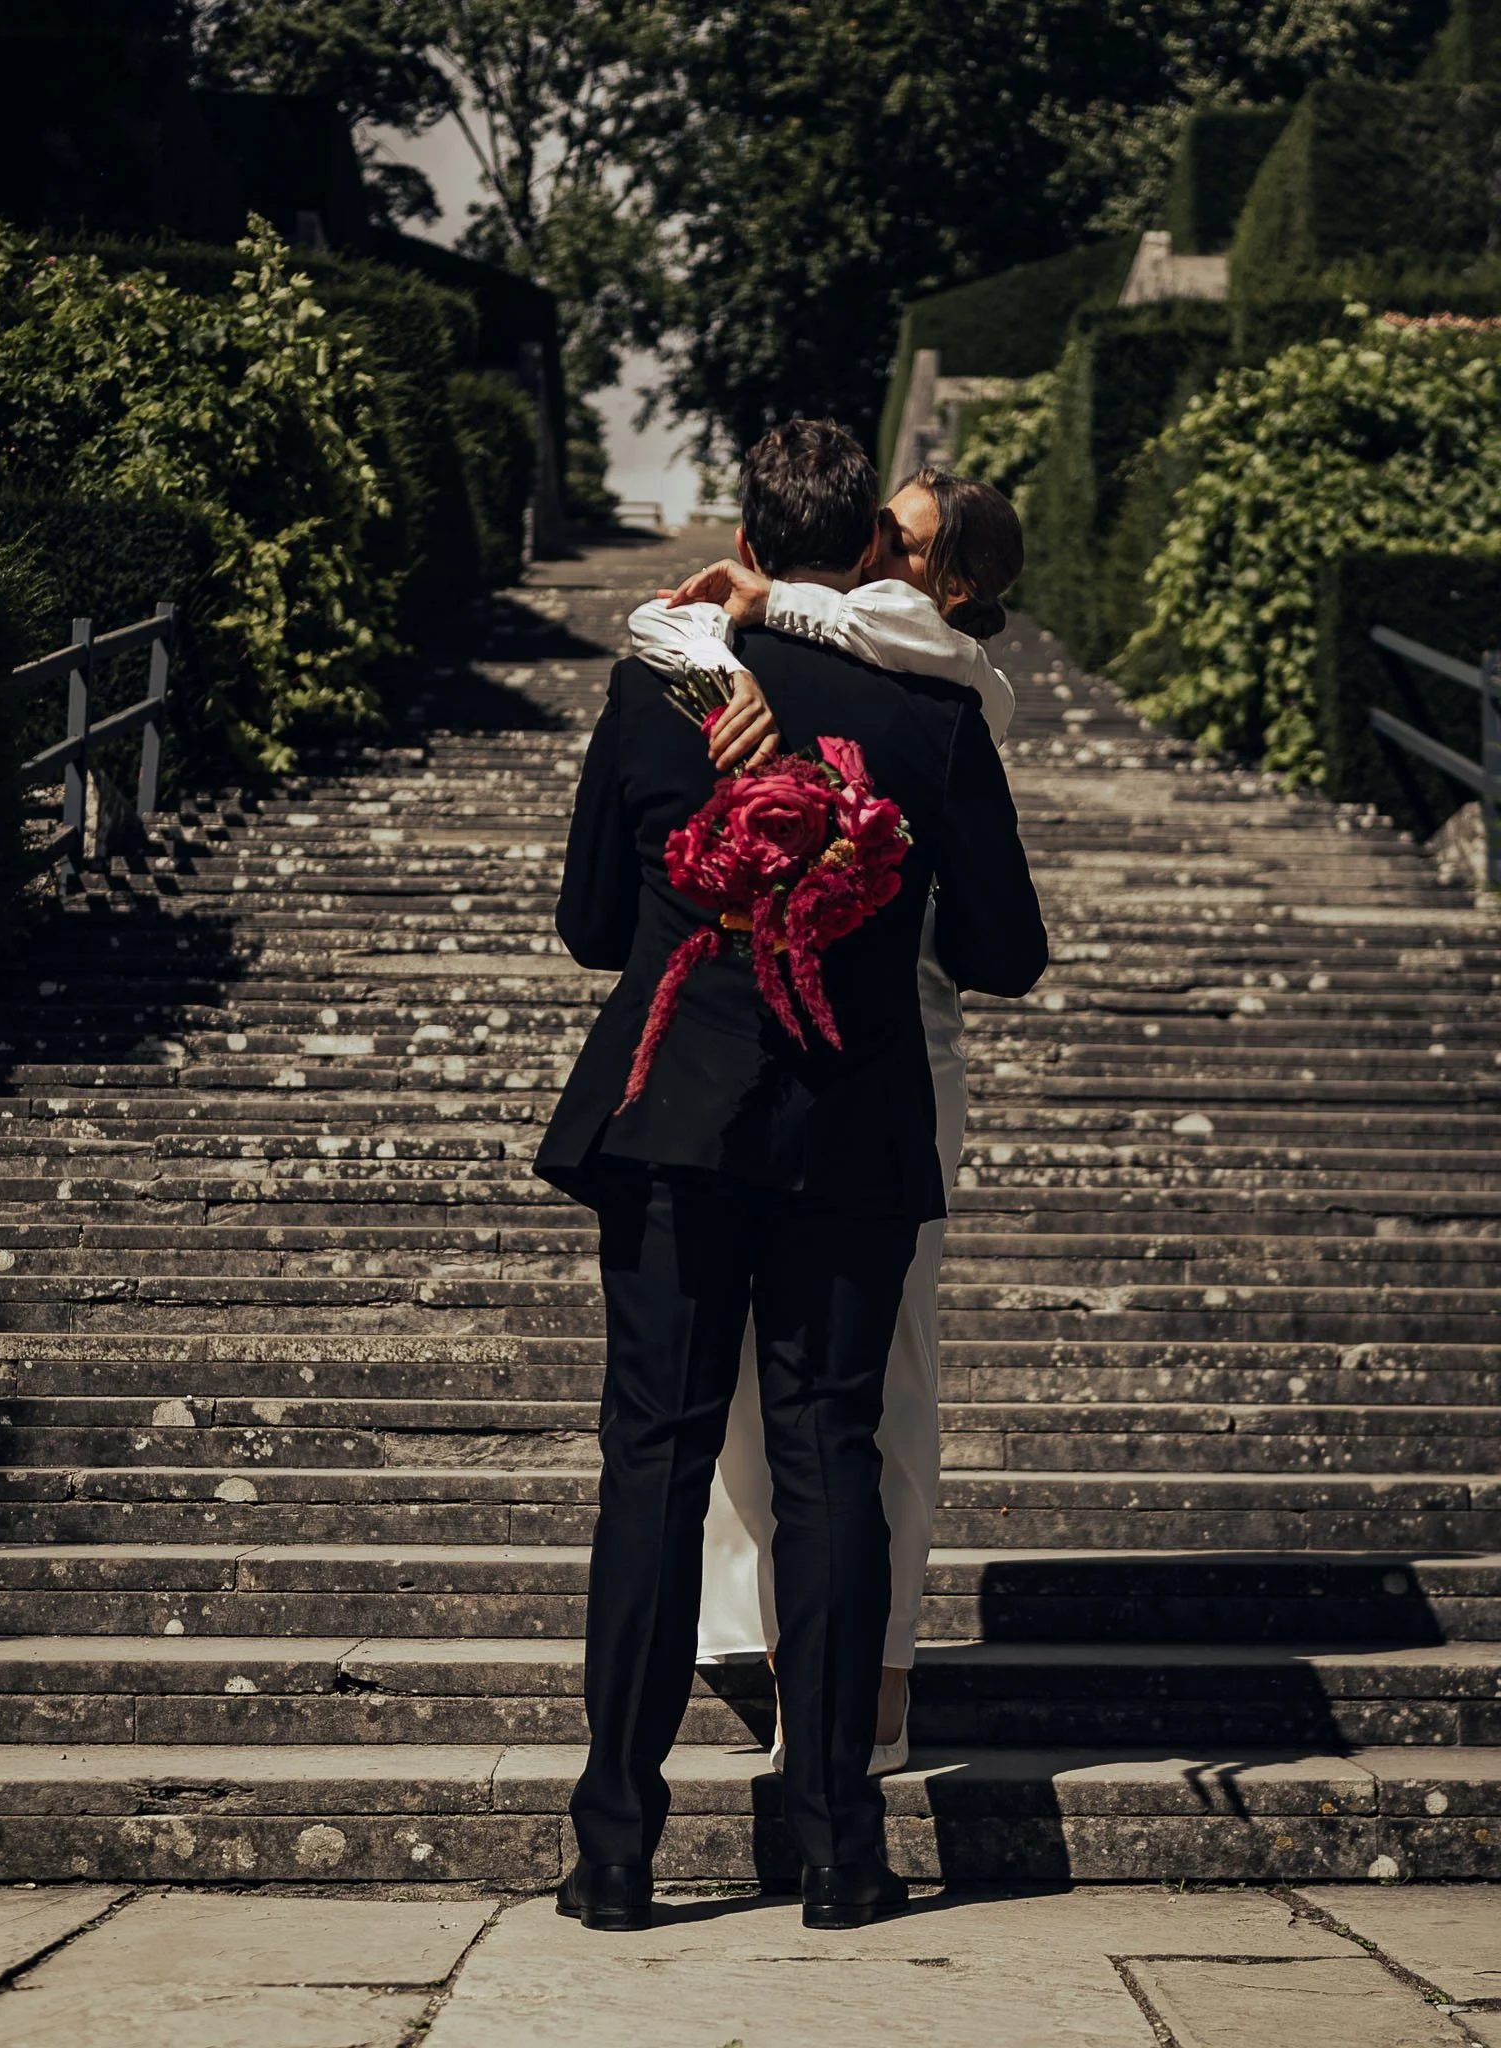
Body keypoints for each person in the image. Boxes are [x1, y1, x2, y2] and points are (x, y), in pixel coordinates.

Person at [534, 418, 1047, 1935]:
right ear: (868, 559)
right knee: (831, 1465)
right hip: (851, 1125)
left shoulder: (658, 684)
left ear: (750, 545)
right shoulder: (931, 710)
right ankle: (841, 1850)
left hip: (672, 1113)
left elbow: (581, 926)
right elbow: (1010, 955)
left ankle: (616, 1855)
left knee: (655, 1463)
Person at [626, 470, 1026, 1773]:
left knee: (881, 1364)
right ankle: (783, 1645)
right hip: (770, 1028)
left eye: (893, 545)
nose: (864, 560)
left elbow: (1000, 942)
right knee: (755, 1376)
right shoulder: (807, 641)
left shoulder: (933, 663)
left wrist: (773, 598)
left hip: (894, 1040)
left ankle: (877, 1670)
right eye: (865, 539)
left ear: (949, 584)